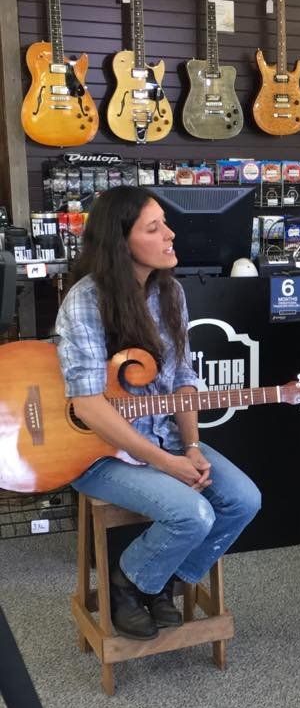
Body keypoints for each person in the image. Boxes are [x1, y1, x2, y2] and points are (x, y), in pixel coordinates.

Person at [55, 185, 261, 640]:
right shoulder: (85, 302)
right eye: (154, 227)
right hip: (95, 455)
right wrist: (168, 463)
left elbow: (183, 378)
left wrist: (190, 445)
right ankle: (127, 584)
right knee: (194, 514)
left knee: (244, 500)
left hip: (164, 436)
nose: (171, 234)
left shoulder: (171, 293)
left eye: (165, 223)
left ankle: (158, 581)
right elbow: (88, 404)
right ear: (120, 242)